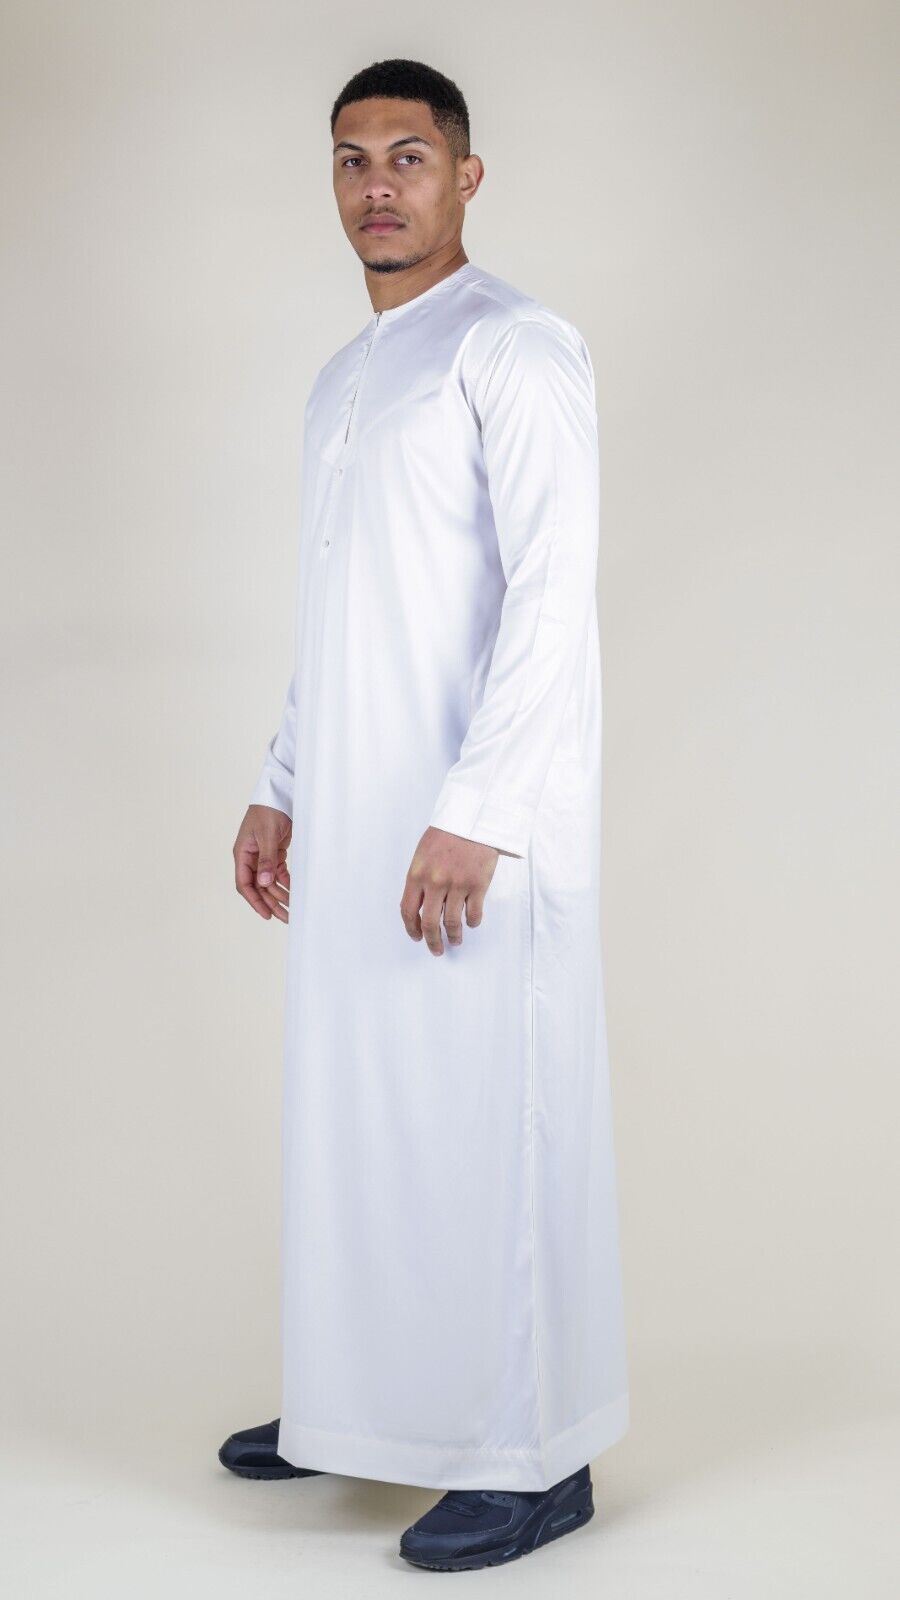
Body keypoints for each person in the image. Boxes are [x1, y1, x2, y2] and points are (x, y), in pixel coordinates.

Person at [220, 57, 629, 1571]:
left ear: (467, 175)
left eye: (408, 154)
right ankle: (359, 1406)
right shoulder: (347, 375)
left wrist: (481, 808)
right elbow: (340, 610)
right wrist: (282, 786)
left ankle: (535, 1458)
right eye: (352, 158)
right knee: (359, 1124)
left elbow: (551, 595)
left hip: (471, 834)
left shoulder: (513, 346)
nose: (377, 184)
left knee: (486, 1129)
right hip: (355, 826)